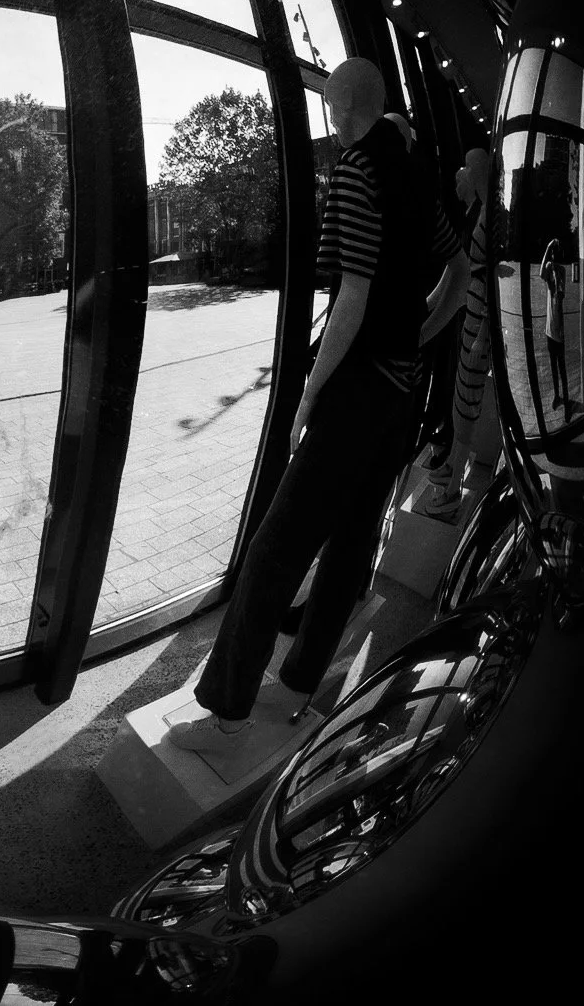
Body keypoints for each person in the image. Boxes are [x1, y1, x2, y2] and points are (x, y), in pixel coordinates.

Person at [168, 58, 466, 762]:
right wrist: (415, 339)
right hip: (400, 391)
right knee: (352, 544)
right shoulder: (416, 173)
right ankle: (300, 683)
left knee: (275, 548)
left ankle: (228, 715)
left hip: (357, 391)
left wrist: (307, 396)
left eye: (330, 105)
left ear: (341, 108)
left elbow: (352, 300)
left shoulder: (358, 172)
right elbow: (459, 274)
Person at [418, 146, 494, 520]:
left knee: (467, 398)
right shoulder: (474, 215)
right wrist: (429, 306)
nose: (458, 178)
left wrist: (483, 335)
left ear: (476, 173)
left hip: (477, 318)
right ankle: (452, 464)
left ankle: (451, 489)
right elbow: (457, 269)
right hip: (467, 315)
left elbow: (490, 276)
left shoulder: (489, 220)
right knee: (458, 394)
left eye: (465, 170)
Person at [541, 237, 569, 412]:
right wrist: (547, 246)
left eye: (555, 253)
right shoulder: (549, 268)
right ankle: (557, 396)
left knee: (562, 366)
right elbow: (541, 274)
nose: (553, 256)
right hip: (549, 329)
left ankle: (565, 397)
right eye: (552, 253)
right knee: (553, 365)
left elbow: (560, 295)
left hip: (559, 330)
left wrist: (555, 274)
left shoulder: (561, 271)